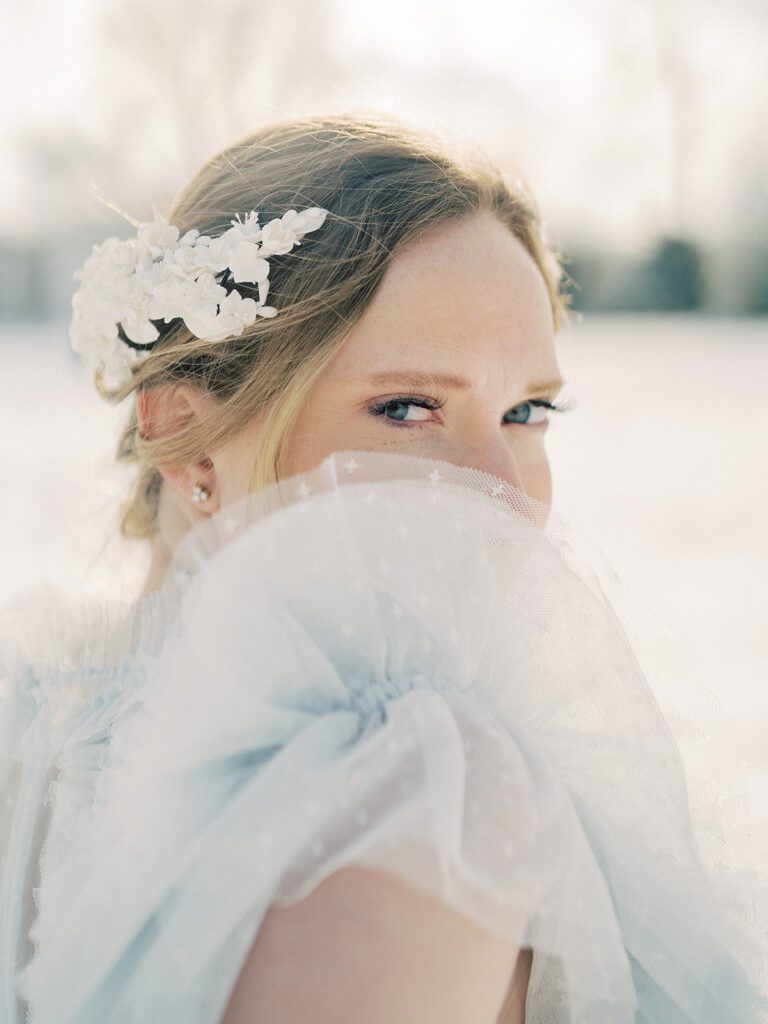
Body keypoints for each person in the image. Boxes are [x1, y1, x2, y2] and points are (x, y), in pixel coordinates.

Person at [0, 113, 766, 1024]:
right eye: (406, 407)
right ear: (185, 442)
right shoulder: (419, 783)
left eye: (526, 412)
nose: (504, 495)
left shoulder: (39, 710)